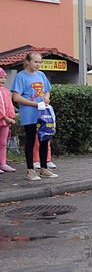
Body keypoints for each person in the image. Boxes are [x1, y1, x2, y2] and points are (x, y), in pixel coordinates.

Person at [11, 52, 57, 180]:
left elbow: (47, 90)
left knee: (44, 140)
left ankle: (44, 168)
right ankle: (30, 170)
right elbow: (16, 97)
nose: (38, 65)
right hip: (29, 114)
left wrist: (46, 98)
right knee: (30, 141)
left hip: (42, 114)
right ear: (28, 62)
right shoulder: (21, 76)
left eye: (39, 62)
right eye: (35, 62)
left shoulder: (41, 75)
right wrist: (34, 104)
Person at [0, 68, 16, 173]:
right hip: (3, 119)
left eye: (4, 78)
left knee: (3, 143)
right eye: (1, 77)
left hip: (5, 122)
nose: (3, 80)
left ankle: (3, 163)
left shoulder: (5, 91)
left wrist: (11, 117)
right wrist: (5, 117)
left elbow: (10, 106)